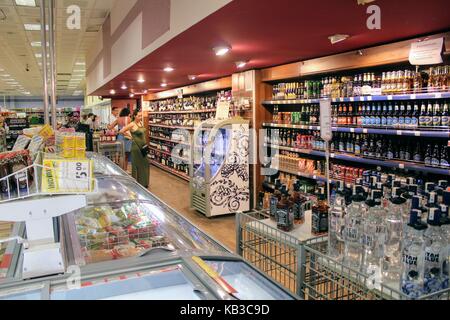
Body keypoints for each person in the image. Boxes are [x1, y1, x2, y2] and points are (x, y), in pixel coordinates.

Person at [120, 109, 149, 188]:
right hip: (136, 147)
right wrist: (130, 136)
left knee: (145, 163)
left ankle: (144, 182)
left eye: (141, 116)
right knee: (137, 165)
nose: (140, 117)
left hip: (143, 147)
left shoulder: (140, 123)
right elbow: (122, 131)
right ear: (134, 116)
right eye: (139, 116)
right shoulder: (132, 124)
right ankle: (137, 183)